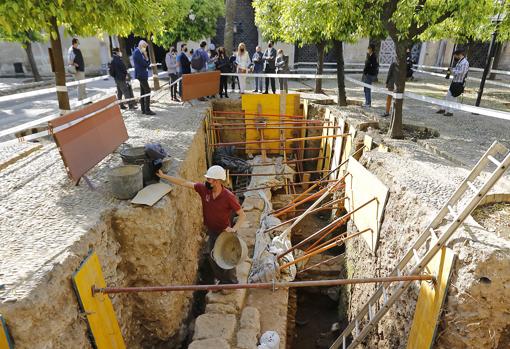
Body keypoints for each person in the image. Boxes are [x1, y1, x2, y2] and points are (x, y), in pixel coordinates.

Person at [157, 165, 246, 285]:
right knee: (213, 256)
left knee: (227, 257)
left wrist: (234, 229)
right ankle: (222, 281)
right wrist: (164, 176)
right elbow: (184, 182)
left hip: (224, 233)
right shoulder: (204, 189)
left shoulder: (228, 197)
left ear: (217, 181)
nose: (207, 181)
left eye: (209, 179)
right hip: (212, 230)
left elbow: (242, 215)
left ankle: (232, 283)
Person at [436, 49, 469, 117]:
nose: (455, 58)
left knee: (454, 97)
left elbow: (461, 73)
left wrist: (452, 71)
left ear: (459, 55)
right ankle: (443, 108)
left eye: (455, 56)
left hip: (459, 82)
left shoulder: (465, 63)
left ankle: (451, 112)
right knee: (448, 95)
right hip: (454, 81)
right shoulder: (460, 61)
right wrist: (452, 69)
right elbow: (458, 70)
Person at [133, 40, 155, 115]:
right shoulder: (137, 52)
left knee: (143, 92)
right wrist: (146, 57)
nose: (145, 48)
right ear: (141, 45)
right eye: (144, 46)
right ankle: (147, 110)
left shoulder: (139, 52)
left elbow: (146, 64)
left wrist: (146, 61)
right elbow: (145, 64)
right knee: (147, 90)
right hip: (141, 75)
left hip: (142, 74)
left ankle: (143, 109)